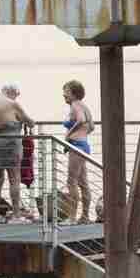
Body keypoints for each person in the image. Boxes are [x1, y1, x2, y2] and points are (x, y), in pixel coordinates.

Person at [0, 83, 35, 223]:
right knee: (14, 178)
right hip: (10, 144)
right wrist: (29, 123)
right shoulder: (12, 104)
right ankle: (16, 215)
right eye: (16, 94)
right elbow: (29, 122)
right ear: (11, 91)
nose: (16, 98)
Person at [62, 80, 95, 224]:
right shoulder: (84, 106)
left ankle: (72, 217)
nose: (64, 94)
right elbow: (91, 126)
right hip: (84, 144)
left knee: (71, 181)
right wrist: (81, 133)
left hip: (76, 146)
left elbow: (81, 120)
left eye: (66, 91)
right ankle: (85, 216)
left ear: (74, 93)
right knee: (83, 182)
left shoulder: (75, 105)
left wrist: (69, 135)